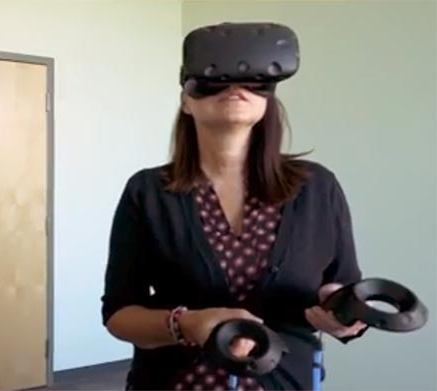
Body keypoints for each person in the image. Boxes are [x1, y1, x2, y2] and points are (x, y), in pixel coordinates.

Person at [101, 23, 367, 390]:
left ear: (268, 99)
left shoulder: (317, 188)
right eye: (215, 80)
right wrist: (187, 324)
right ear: (186, 100)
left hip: (287, 381)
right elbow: (119, 314)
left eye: (254, 81)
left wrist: (343, 314)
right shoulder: (148, 192)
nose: (235, 89)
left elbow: (344, 287)